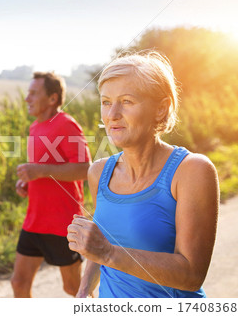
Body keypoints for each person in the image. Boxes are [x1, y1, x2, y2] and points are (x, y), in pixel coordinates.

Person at [67, 51, 219, 298]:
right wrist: (84, 290)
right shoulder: (99, 172)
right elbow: (100, 245)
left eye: (126, 101)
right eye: (106, 102)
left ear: (161, 109)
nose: (112, 114)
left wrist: (109, 253)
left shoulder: (192, 171)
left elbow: (192, 274)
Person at [11, 72, 92, 297]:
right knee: (19, 282)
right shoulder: (35, 127)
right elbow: (42, 170)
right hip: (35, 220)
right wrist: (27, 181)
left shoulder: (67, 125)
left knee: (74, 289)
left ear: (53, 99)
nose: (27, 98)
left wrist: (41, 171)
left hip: (62, 223)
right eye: (28, 93)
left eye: (34, 93)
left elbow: (85, 169)